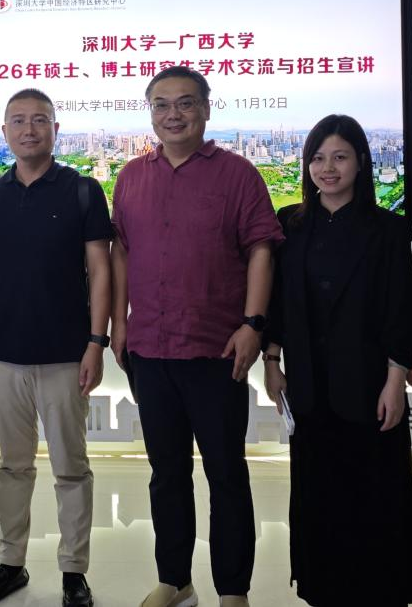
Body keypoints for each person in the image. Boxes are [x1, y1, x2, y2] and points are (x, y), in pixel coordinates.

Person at [111, 66, 282, 607]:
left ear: (206, 109)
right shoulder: (131, 177)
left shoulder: (238, 174)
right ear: (150, 113)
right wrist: (120, 324)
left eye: (185, 103)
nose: (173, 115)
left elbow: (261, 249)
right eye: (161, 105)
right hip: (150, 348)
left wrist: (253, 324)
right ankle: (175, 581)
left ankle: (233, 589)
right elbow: (121, 253)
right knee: (167, 474)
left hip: (217, 349)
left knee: (226, 473)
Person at [261, 115, 412, 606]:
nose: (327, 168)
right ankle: (322, 590)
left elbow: (399, 307)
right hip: (309, 384)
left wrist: (396, 378)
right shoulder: (289, 225)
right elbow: (277, 301)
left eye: (340, 157)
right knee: (317, 495)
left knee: (375, 493)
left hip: (370, 384)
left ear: (361, 162)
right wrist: (272, 360)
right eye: (317, 158)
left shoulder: (387, 228)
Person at [0, 88, 114, 607]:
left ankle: (74, 571)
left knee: (71, 466)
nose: (28, 130)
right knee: (12, 465)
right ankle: (11, 563)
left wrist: (96, 342)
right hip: (2, 351)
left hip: (66, 352)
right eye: (18, 121)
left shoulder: (82, 190)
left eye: (39, 120)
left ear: (56, 129)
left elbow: (100, 269)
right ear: (4, 131)